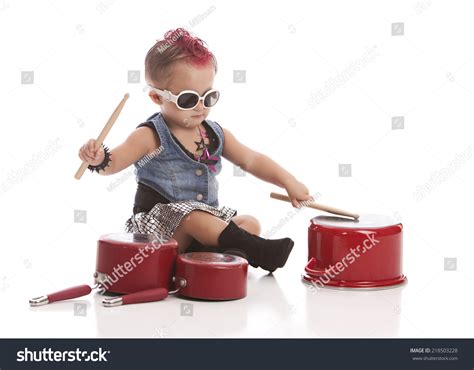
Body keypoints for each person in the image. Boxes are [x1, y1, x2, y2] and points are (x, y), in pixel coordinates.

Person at [78, 28, 313, 273]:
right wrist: (99, 157)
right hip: (160, 232)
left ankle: (209, 257)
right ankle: (259, 252)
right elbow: (114, 162)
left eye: (209, 97)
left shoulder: (215, 133)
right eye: (188, 99)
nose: (201, 107)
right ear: (157, 98)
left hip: (204, 225)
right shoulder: (150, 135)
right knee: (194, 217)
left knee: (249, 223)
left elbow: (251, 160)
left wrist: (288, 180)